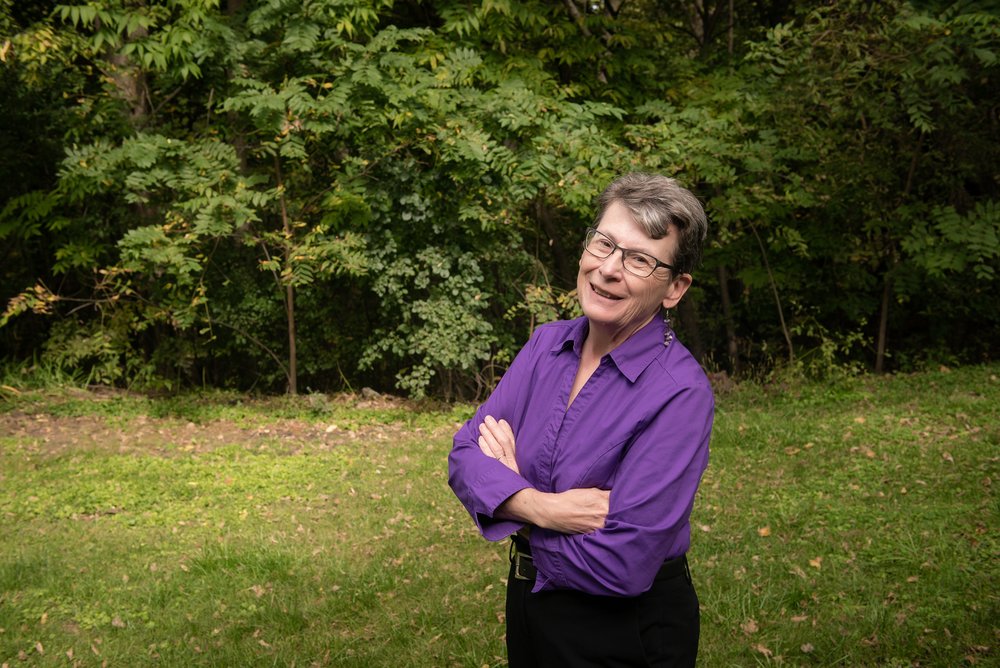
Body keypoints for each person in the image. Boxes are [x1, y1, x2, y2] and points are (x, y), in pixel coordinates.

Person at [448, 172, 714, 667]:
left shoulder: (680, 393)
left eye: (639, 259)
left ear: (675, 288)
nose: (609, 269)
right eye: (604, 243)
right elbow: (465, 457)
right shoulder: (547, 344)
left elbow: (623, 563)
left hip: (622, 631)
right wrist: (546, 510)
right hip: (529, 604)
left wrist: (509, 501)